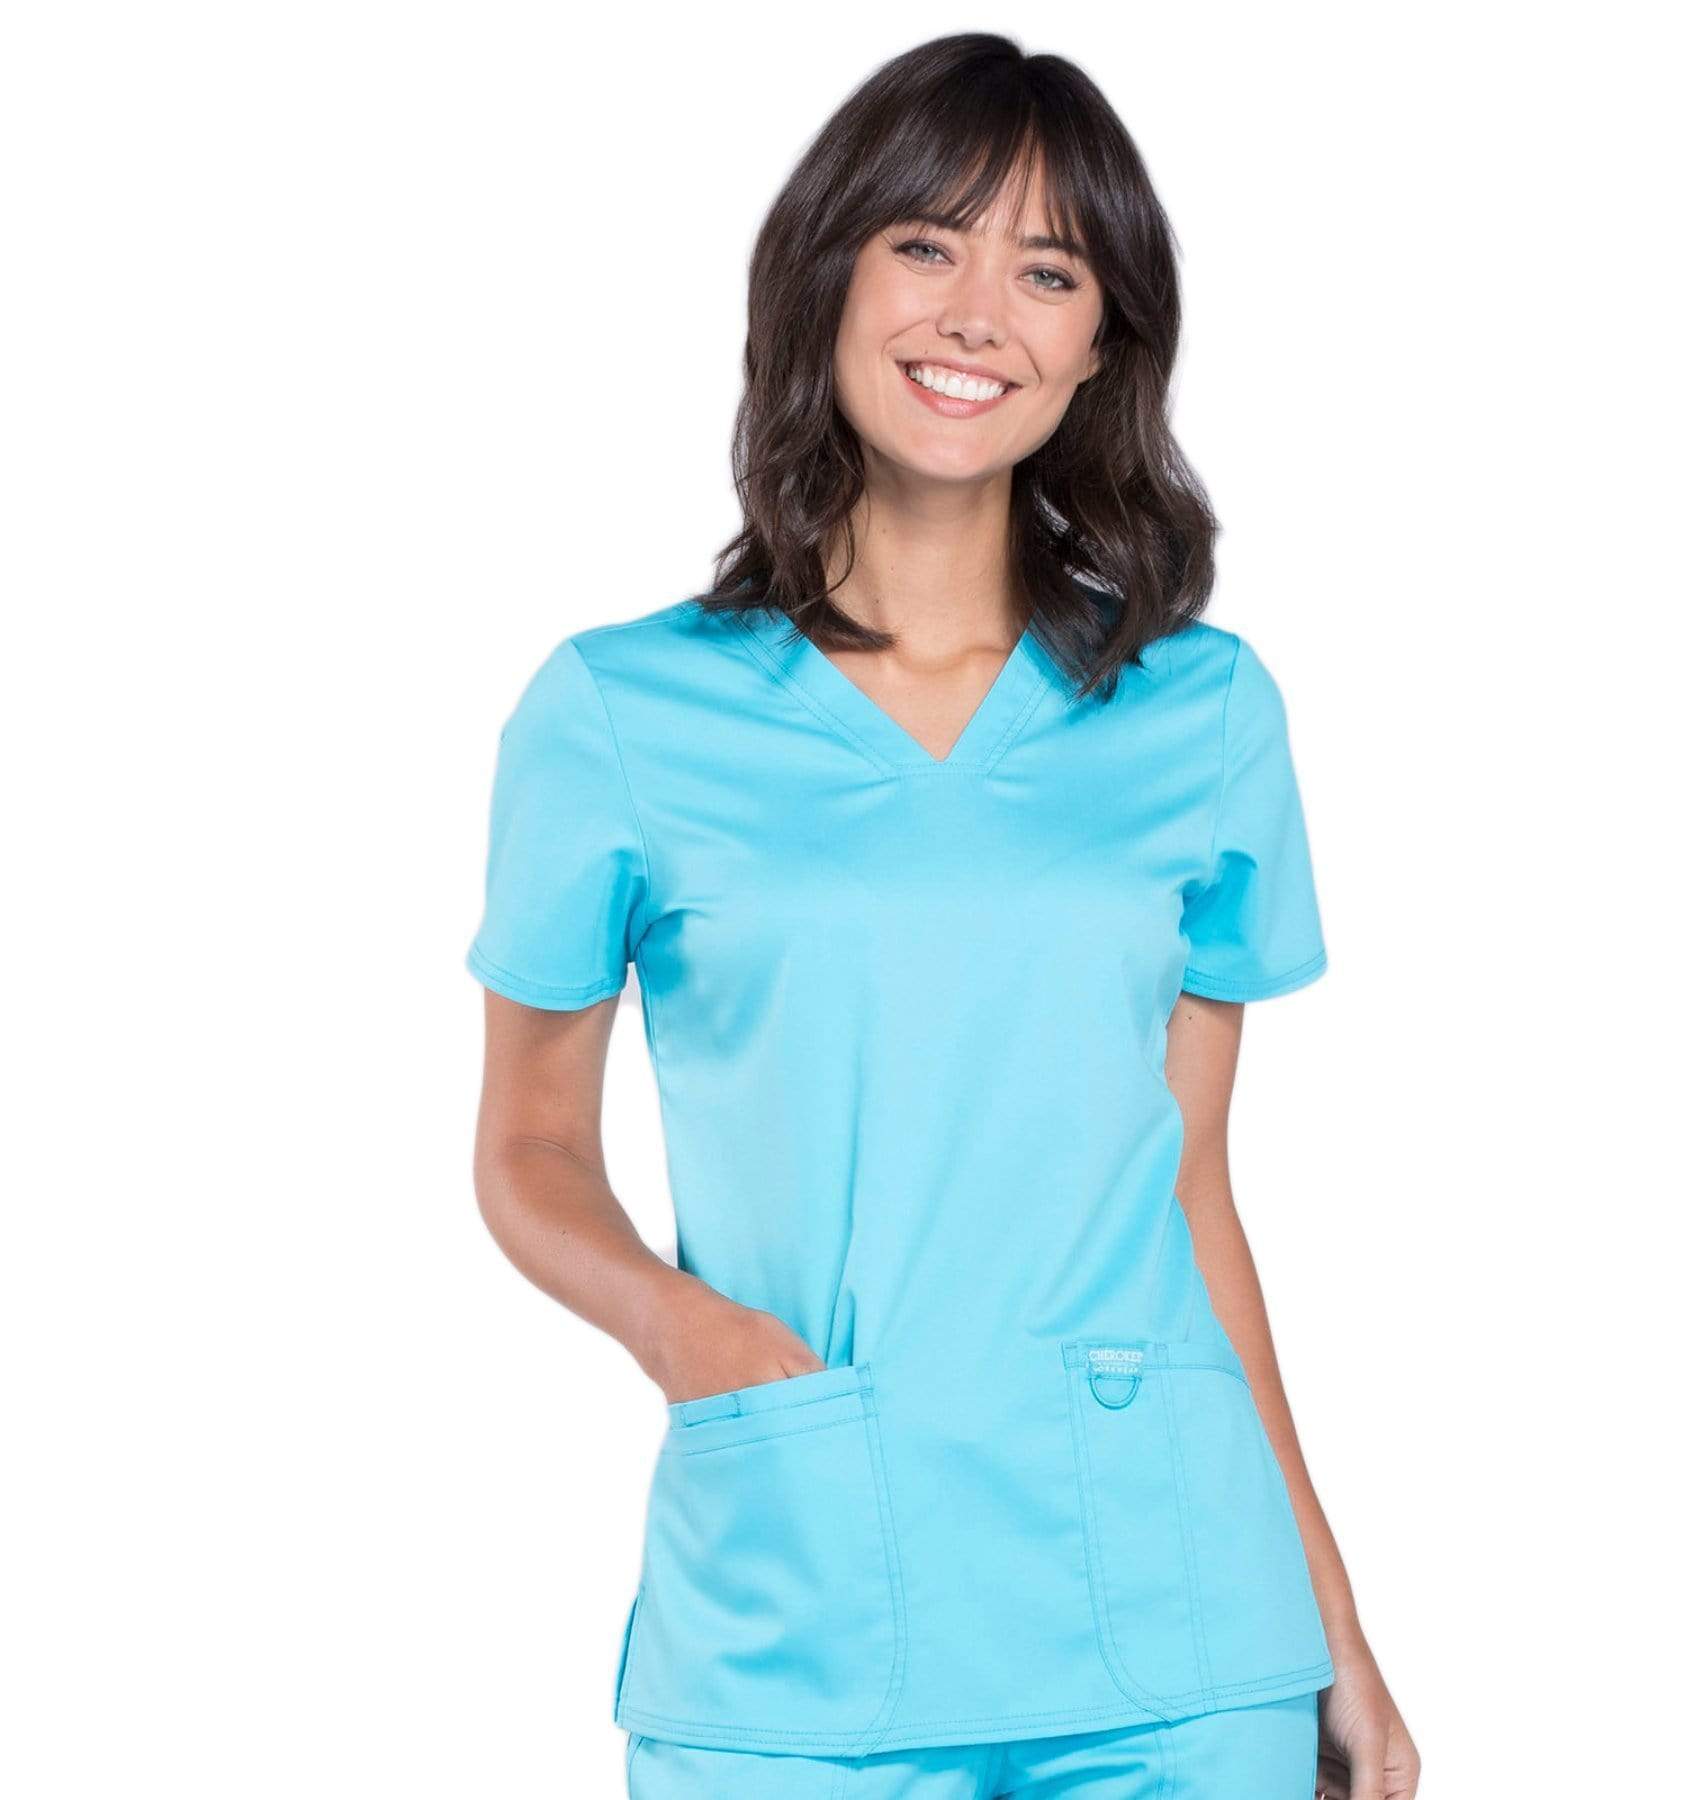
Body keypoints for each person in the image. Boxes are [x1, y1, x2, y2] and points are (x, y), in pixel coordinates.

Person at [467, 32, 1420, 1800]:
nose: (980, 313)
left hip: (1177, 1633)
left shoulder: (1202, 712)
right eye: (927, 244)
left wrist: (1335, 1625)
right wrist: (687, 1334)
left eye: (1049, 272)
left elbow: (1193, 1192)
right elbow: (527, 1150)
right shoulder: (618, 714)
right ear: (826, 273)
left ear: (1102, 344)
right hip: (797, 1604)